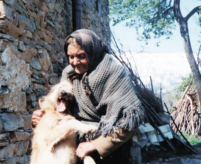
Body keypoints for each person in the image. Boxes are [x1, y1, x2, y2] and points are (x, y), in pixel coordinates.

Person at [32, 29, 144, 164]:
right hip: (76, 148)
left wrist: (96, 145)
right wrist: (42, 115)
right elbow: (61, 109)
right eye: (71, 57)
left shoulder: (114, 73)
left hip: (109, 149)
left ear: (92, 52)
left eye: (81, 56)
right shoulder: (69, 73)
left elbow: (130, 122)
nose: (75, 62)